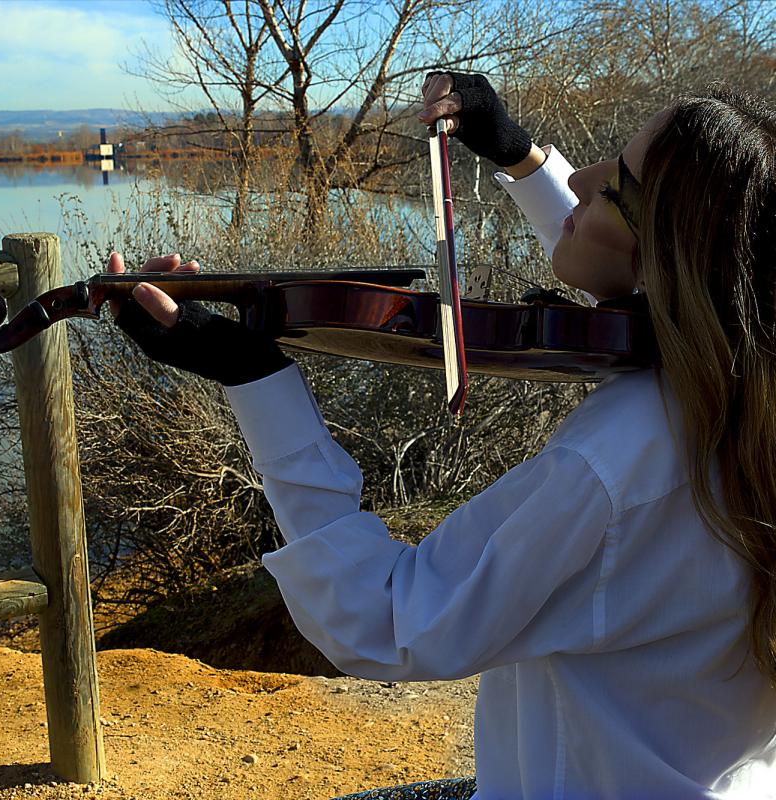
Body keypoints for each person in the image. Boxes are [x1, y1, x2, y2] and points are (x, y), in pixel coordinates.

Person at [107, 72, 776, 799]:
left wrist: (255, 380)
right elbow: (637, 275)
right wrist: (520, 157)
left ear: (672, 258)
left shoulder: (613, 465)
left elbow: (382, 617)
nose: (581, 179)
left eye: (615, 185)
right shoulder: (743, 394)